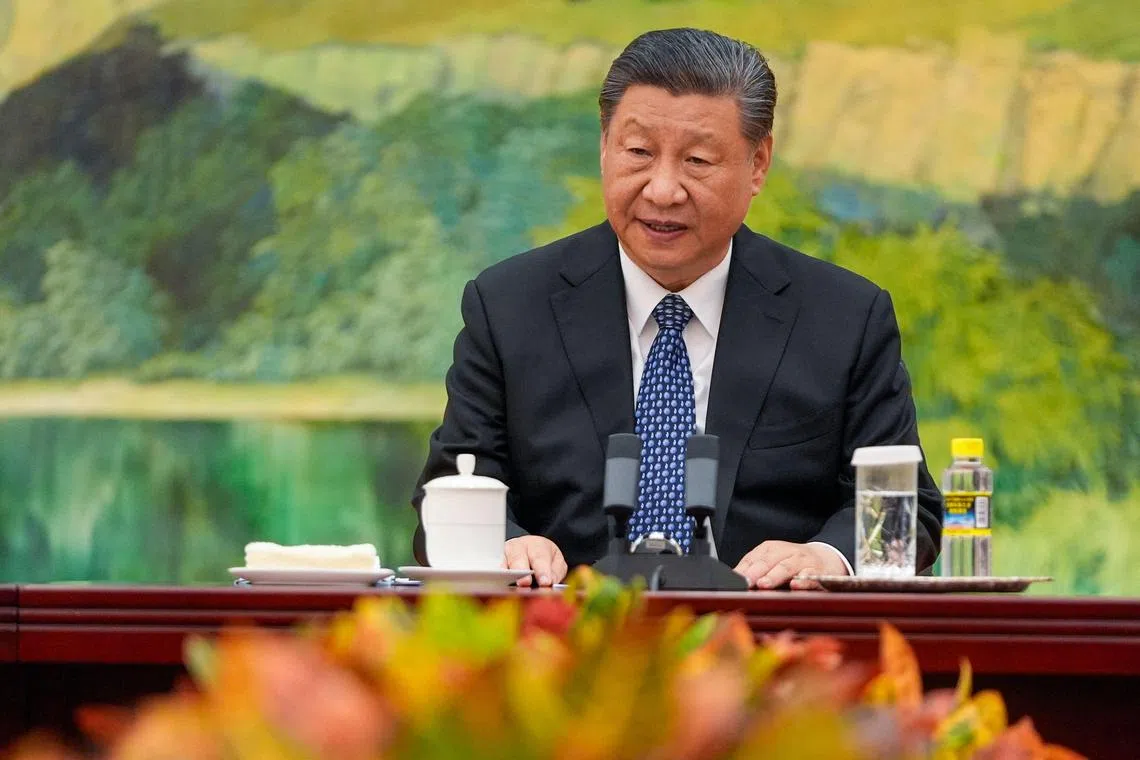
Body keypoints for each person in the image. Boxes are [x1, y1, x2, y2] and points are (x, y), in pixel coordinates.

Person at [412, 27, 942, 589]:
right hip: (565, 647)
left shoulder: (843, 318)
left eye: (697, 160)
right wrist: (505, 543)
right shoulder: (510, 306)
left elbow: (910, 515)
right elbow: (447, 493)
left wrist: (825, 556)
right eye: (638, 152)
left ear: (757, 163)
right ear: (604, 146)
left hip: (769, 647)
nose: (663, 190)